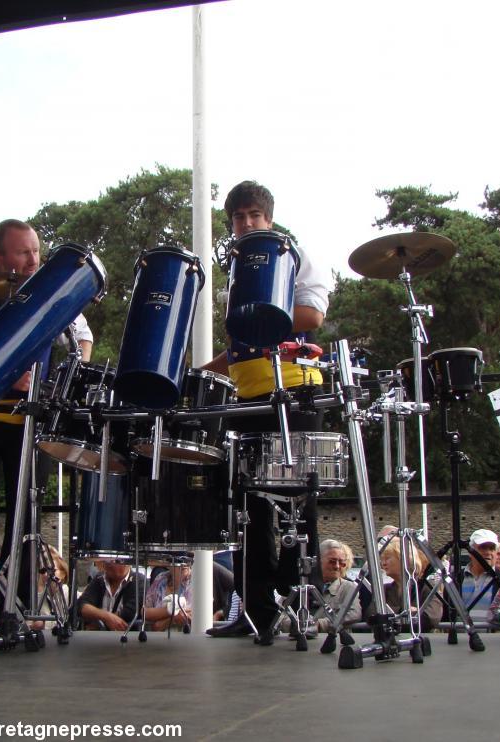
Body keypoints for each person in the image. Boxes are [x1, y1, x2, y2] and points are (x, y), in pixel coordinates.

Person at [0, 219, 94, 619]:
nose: (33, 260)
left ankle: (20, 605)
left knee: (27, 513)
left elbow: (83, 336)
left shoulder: (50, 294)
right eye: (23, 252)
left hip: (32, 422)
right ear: (0, 257)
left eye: (36, 251)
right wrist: (3, 374)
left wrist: (64, 381)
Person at [203, 182, 331, 645]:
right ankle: (254, 612)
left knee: (298, 502)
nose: (247, 223)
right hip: (247, 397)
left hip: (294, 393)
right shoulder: (238, 271)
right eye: (239, 217)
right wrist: (198, 373)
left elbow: (313, 316)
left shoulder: (293, 256)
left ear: (270, 219)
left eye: (255, 215)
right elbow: (240, 346)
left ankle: (300, 603)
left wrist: (264, 314)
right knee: (248, 511)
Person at [374, 536, 444, 631]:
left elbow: (431, 617)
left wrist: (391, 616)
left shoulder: (427, 586)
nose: (383, 563)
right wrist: (405, 612)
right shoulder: (384, 589)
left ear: (403, 559)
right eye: (382, 559)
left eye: (387, 558)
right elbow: (372, 614)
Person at [310, 539, 362, 636]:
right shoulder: (304, 585)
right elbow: (282, 613)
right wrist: (295, 625)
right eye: (332, 561)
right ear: (318, 561)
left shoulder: (348, 587)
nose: (337, 566)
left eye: (342, 562)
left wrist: (320, 624)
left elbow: (354, 614)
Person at [77, 560, 148, 631]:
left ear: (127, 564)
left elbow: (131, 612)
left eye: (117, 560)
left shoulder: (139, 581)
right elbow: (81, 605)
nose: (109, 562)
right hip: (97, 638)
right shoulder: (99, 578)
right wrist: (105, 617)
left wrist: (99, 624)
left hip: (127, 637)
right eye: (107, 559)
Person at [462, 528, 499, 626]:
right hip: (461, 639)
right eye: (482, 547)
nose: (488, 552)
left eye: (492, 548)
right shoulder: (456, 578)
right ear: (470, 551)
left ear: (496, 554)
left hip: (496, 640)